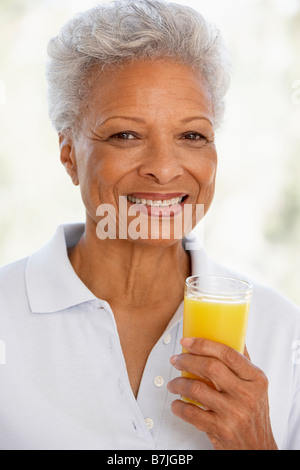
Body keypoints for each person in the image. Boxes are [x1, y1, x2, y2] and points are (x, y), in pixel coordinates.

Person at [0, 0, 299, 451]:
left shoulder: (280, 329)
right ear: (69, 156)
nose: (163, 168)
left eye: (192, 135)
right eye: (126, 135)